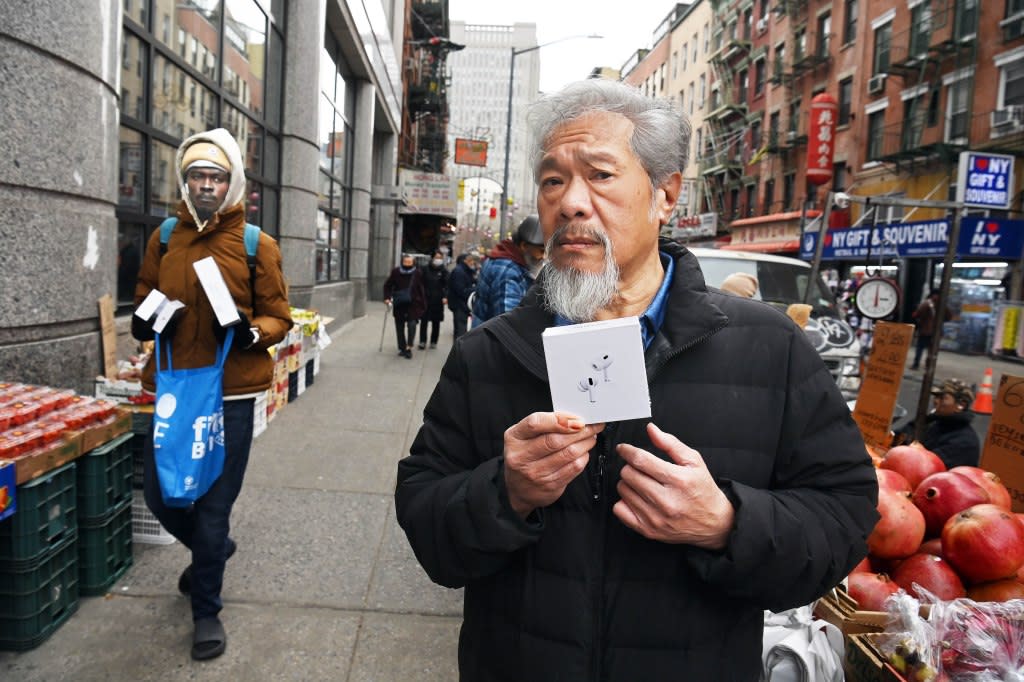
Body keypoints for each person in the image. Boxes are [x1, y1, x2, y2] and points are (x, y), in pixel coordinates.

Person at [394, 79, 879, 680]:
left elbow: (846, 514)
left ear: (664, 194)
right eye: (552, 180)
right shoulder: (489, 353)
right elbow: (425, 518)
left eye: (599, 175)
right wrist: (506, 493)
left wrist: (727, 523)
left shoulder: (769, 348)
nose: (570, 202)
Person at [132, 128, 292, 661]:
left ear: (232, 183)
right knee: (161, 495)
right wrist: (148, 317)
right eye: (197, 175)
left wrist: (253, 332)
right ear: (185, 180)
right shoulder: (163, 238)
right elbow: (143, 297)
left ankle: (206, 611)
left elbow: (279, 316)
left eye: (216, 176)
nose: (206, 185)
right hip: (176, 388)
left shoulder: (255, 245)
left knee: (214, 505)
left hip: (232, 394)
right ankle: (212, 552)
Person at [471, 214, 546, 326]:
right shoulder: (508, 271)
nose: (543, 256)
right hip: (493, 340)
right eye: (541, 251)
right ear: (524, 246)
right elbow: (509, 324)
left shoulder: (507, 259)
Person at [898, 378, 981, 468]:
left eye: (942, 398)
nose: (936, 401)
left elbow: (929, 465)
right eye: (936, 397)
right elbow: (899, 435)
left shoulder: (965, 442)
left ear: (961, 405)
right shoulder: (932, 422)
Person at [383, 253, 426, 358]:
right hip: (399, 304)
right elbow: (387, 285)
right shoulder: (396, 272)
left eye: (409, 262)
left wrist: (422, 303)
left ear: (413, 263)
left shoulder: (417, 273)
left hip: (413, 304)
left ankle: (409, 346)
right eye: (405, 262)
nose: (407, 264)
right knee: (399, 327)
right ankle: (402, 347)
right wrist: (387, 298)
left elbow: (421, 289)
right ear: (402, 262)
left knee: (412, 325)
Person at [910, 289, 949, 370]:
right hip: (934, 331)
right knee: (930, 349)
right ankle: (927, 365)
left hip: (926, 330)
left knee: (921, 348)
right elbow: (948, 316)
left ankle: (917, 364)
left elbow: (917, 314)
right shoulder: (941, 305)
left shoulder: (926, 303)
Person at [418, 251, 449, 350]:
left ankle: (433, 341)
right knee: (424, 321)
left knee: (436, 322)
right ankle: (422, 341)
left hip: (438, 300)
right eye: (436, 257)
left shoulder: (444, 271)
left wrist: (445, 296)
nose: (438, 260)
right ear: (432, 258)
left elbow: (447, 285)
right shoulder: (424, 269)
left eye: (440, 258)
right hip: (425, 299)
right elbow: (420, 283)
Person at [447, 252, 478, 340]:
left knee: (460, 331)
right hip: (459, 305)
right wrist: (476, 288)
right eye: (471, 260)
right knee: (460, 332)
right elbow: (461, 291)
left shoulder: (466, 271)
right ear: (465, 261)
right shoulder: (459, 272)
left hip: (462, 305)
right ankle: (459, 352)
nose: (473, 262)